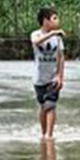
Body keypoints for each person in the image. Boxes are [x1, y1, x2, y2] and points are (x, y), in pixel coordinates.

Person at [30, 7, 66, 139]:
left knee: (51, 105)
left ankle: (49, 135)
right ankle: (43, 132)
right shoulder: (36, 34)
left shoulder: (58, 39)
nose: (57, 21)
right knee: (43, 106)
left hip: (53, 78)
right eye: (54, 18)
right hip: (39, 78)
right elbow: (36, 42)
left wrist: (60, 76)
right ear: (45, 21)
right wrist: (53, 33)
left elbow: (61, 57)